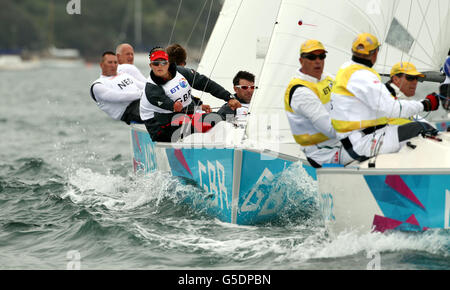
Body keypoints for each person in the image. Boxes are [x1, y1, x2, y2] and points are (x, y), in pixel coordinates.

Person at [330, 33, 440, 164]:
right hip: (362, 143)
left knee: (420, 127)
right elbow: (392, 109)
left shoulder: (347, 69)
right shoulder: (362, 75)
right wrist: (425, 104)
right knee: (421, 129)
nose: (414, 82)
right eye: (410, 78)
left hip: (353, 141)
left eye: (416, 78)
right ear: (375, 53)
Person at [140, 47, 241, 142]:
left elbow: (206, 84)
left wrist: (228, 97)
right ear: (151, 65)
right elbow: (166, 102)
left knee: (224, 113)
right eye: (156, 63)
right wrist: (173, 106)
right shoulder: (151, 87)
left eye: (163, 62)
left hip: (181, 117)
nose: (160, 66)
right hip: (161, 127)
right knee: (215, 119)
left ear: (168, 63)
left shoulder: (182, 72)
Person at [284, 40, 351, 167]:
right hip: (323, 154)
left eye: (321, 56)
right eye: (311, 57)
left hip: (339, 144)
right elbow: (330, 129)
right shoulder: (300, 91)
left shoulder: (327, 78)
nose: (318, 60)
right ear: (301, 61)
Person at [90, 51, 145, 125]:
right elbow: (119, 96)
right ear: (102, 65)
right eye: (110, 62)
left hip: (142, 101)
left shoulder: (124, 75)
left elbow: (143, 86)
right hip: (128, 111)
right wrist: (143, 93)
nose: (113, 65)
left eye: (115, 62)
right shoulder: (98, 85)